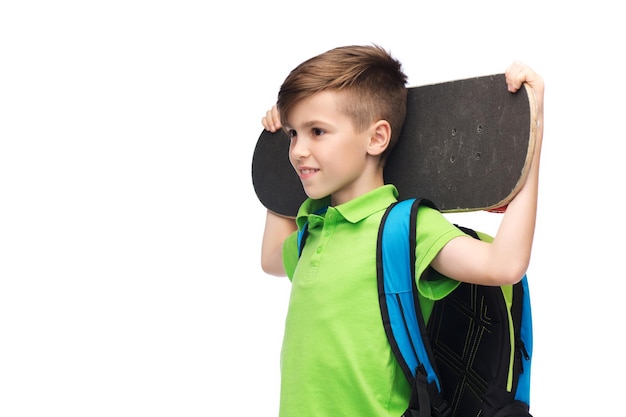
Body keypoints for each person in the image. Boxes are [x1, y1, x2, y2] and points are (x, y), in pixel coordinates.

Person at [259, 44, 544, 417]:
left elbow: (502, 265)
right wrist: (274, 153)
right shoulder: (313, 229)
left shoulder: (404, 228)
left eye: (317, 131)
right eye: (294, 135)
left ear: (377, 138)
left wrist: (531, 136)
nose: (298, 150)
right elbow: (270, 260)